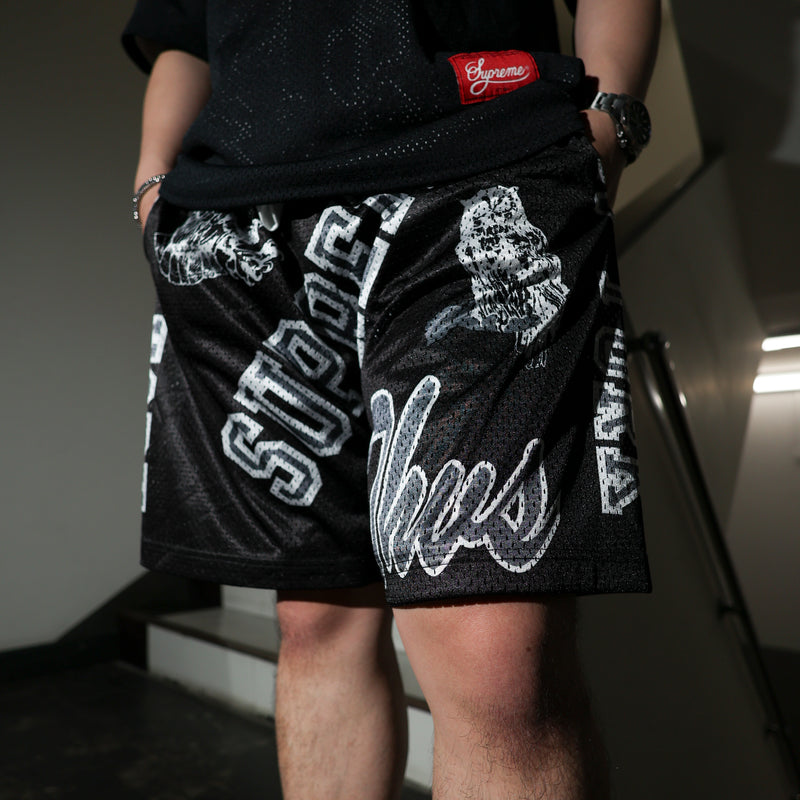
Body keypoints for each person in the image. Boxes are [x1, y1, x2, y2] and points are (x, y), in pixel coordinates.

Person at [123, 1, 659, 797]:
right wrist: (152, 187)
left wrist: (608, 123)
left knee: (494, 655)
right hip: (246, 221)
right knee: (316, 621)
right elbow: (180, 30)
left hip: (477, 167)